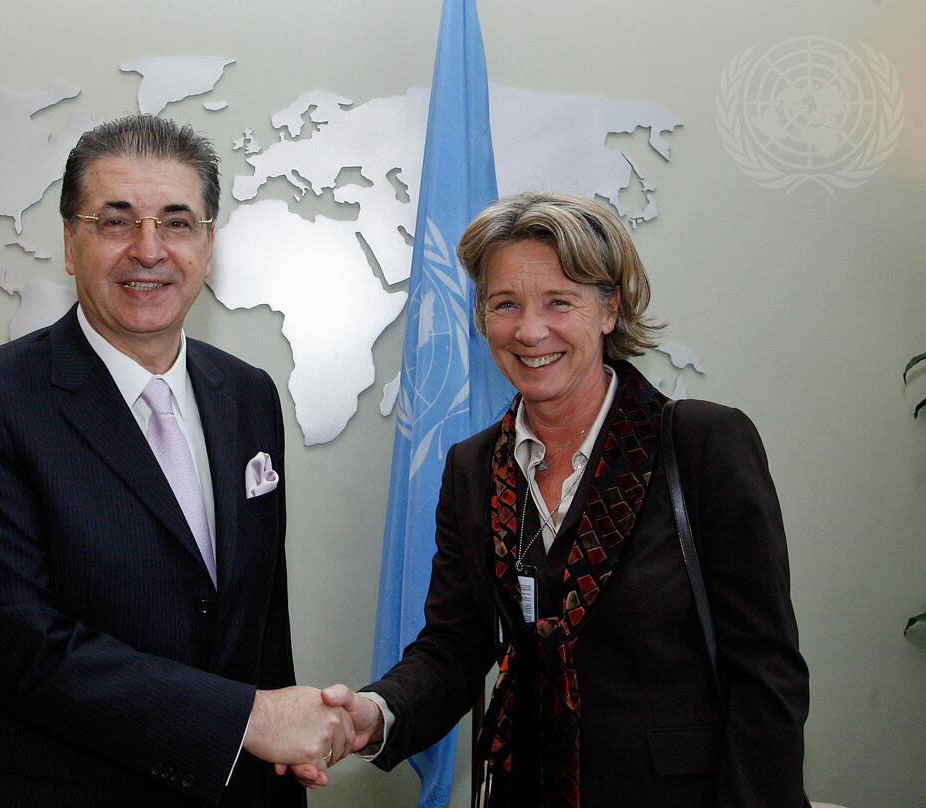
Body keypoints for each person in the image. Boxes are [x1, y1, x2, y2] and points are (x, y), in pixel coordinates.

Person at [317, 192, 810, 806]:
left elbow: (766, 674)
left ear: (610, 309)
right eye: (505, 304)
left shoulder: (703, 443)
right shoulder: (474, 467)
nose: (529, 331)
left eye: (559, 301)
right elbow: (455, 645)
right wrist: (375, 713)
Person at [0, 114, 351, 808]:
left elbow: (261, 627)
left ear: (207, 246)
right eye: (116, 221)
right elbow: (19, 648)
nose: (148, 251)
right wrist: (247, 720)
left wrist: (279, 763)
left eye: (177, 223)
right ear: (71, 242)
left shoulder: (248, 394)